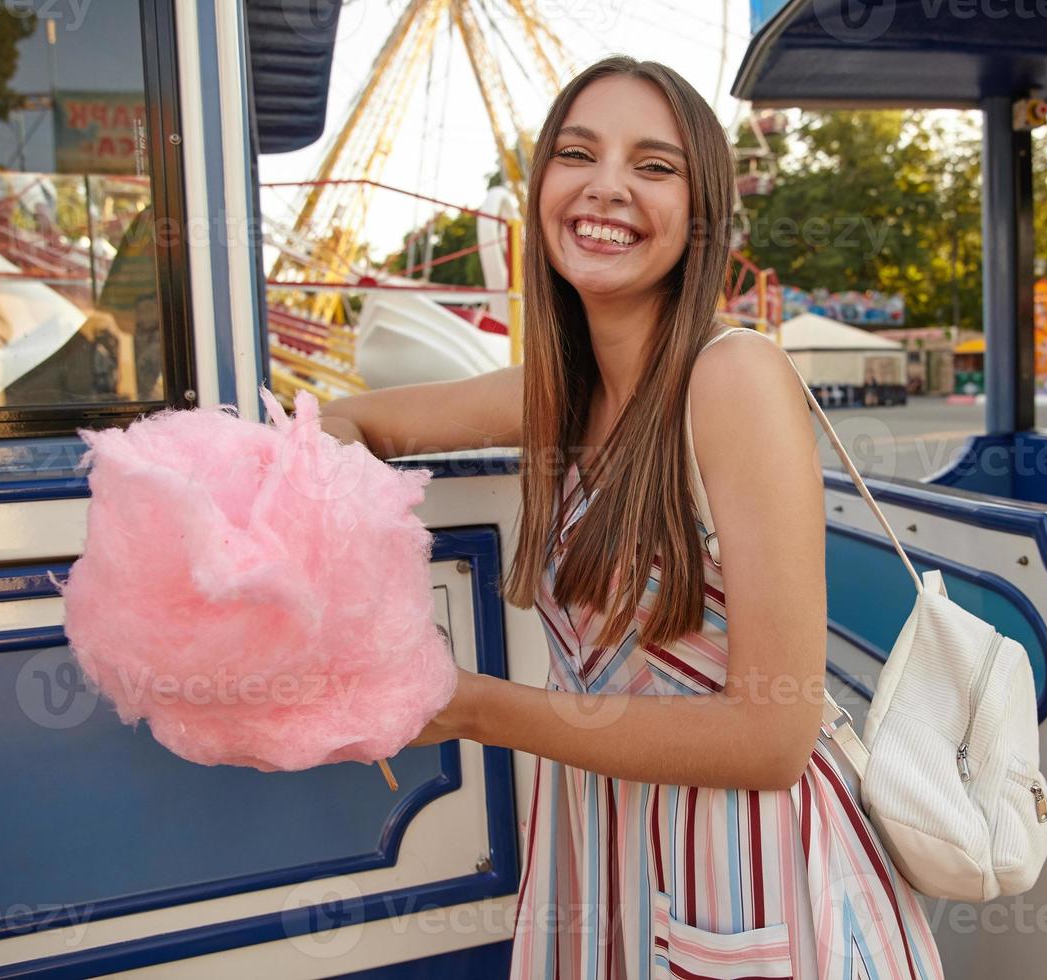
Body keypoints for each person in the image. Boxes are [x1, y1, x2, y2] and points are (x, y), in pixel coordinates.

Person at [320, 56, 943, 980]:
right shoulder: (559, 391)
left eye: (654, 166)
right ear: (542, 191)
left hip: (744, 868)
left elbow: (772, 737)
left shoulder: (733, 379)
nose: (605, 186)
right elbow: (353, 418)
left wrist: (477, 709)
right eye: (579, 153)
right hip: (607, 849)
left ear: (700, 218)